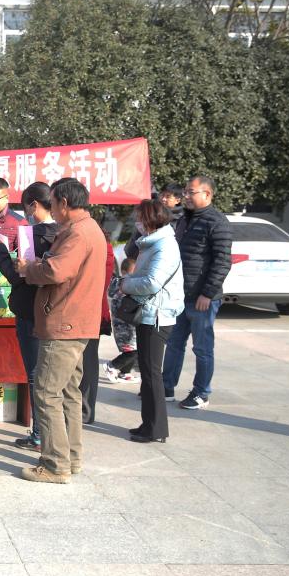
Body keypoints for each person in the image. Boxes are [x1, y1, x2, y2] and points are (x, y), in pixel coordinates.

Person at [18, 178, 105, 484]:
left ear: (64, 204)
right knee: (68, 392)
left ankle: (55, 465)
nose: (51, 209)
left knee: (46, 392)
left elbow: (57, 271)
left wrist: (28, 268)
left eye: (53, 203)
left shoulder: (78, 233)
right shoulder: (87, 229)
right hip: (76, 322)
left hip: (64, 324)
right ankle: (72, 457)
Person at [162, 175, 233, 410]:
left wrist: (207, 293)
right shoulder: (184, 219)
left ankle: (201, 392)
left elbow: (222, 262)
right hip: (180, 296)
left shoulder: (217, 222)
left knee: (202, 348)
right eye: (185, 192)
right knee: (174, 343)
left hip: (202, 298)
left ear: (207, 194)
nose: (186, 196)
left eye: (191, 192)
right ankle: (166, 387)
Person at [0, 182, 57, 451]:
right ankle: (50, 433)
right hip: (55, 311)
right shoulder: (65, 233)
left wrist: (0, 249)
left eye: (25, 207)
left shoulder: (32, 235)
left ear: (33, 205)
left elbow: (18, 276)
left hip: (30, 312)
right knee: (52, 376)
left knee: (35, 374)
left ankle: (40, 435)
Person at [121, 200, 185, 443]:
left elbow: (152, 283)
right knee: (148, 373)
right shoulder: (151, 242)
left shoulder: (164, 245)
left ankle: (156, 429)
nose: (137, 222)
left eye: (140, 217)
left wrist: (125, 284)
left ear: (150, 219)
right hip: (150, 313)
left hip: (157, 315)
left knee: (151, 374)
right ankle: (148, 424)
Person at [79, 232, 115, 424]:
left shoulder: (102, 248)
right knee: (87, 360)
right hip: (92, 311)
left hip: (92, 311)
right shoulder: (103, 247)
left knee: (88, 361)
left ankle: (85, 411)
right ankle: (83, 410)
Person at [105, 258, 139, 383]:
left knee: (131, 350)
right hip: (125, 326)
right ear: (124, 272)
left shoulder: (116, 283)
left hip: (122, 325)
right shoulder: (125, 285)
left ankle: (125, 373)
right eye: (132, 272)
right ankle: (112, 366)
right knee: (132, 351)